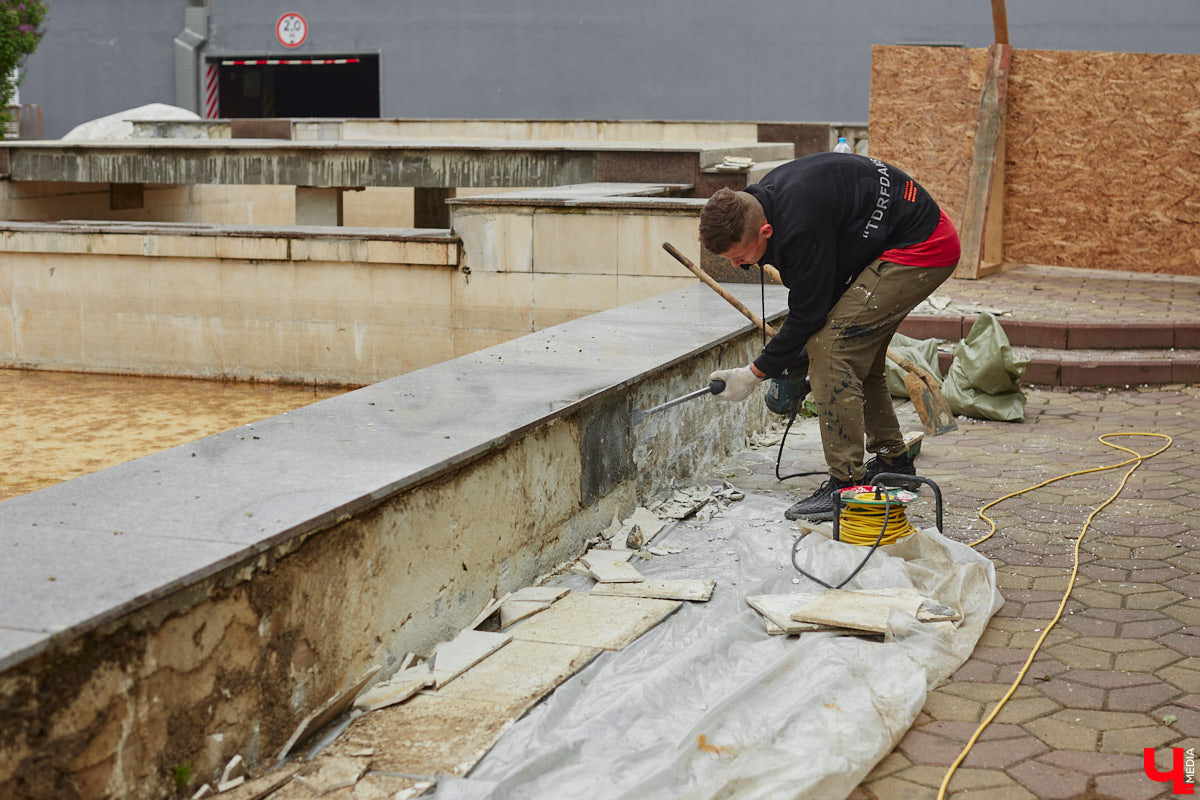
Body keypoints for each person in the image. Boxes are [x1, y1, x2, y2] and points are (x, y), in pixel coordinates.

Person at [700, 152, 960, 521]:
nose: (737, 265)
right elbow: (819, 292)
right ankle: (894, 464)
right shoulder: (762, 203)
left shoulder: (799, 222)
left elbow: (810, 310)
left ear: (765, 232)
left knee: (832, 349)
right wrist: (786, 355)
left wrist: (753, 374)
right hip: (903, 232)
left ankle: (847, 488)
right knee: (856, 353)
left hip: (924, 246)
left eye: (740, 257)